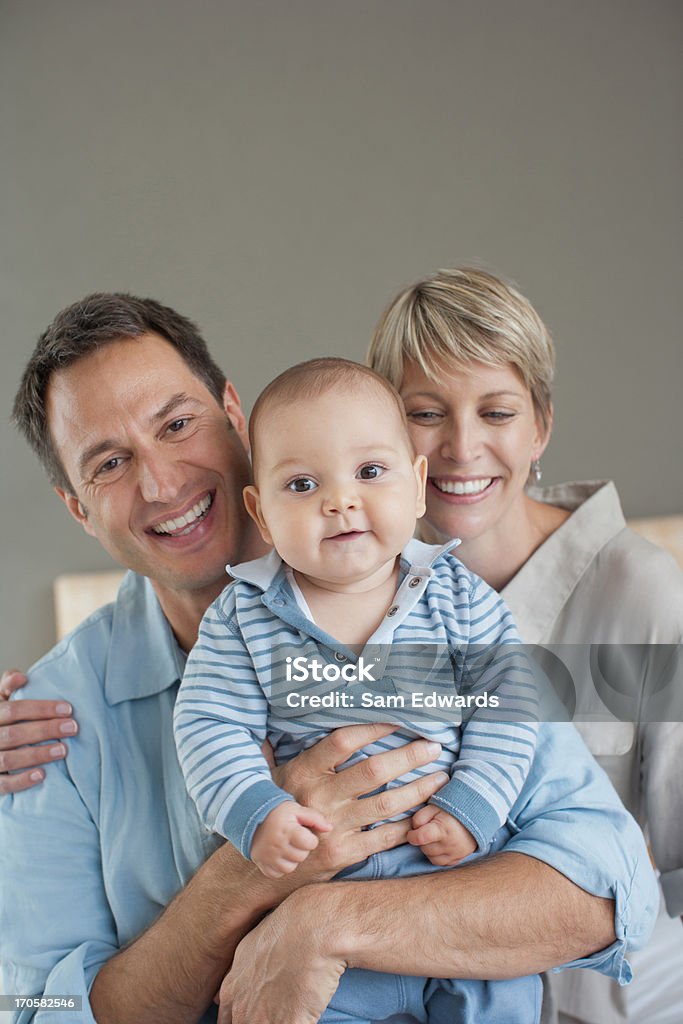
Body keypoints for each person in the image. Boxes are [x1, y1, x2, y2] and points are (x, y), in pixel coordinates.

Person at [0, 292, 658, 1024]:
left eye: (177, 425)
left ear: (233, 414)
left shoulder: (429, 605)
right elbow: (33, 1010)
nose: (162, 483)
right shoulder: (40, 723)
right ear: (77, 508)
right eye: (111, 463)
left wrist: (328, 926)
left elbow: (609, 884)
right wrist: (241, 881)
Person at [175, 357, 543, 1021]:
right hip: (318, 919)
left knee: (508, 996)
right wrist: (257, 809)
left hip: (452, 896)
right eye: (302, 483)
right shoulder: (243, 617)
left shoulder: (459, 600)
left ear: (416, 484)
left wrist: (473, 804)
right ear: (260, 508)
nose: (338, 500)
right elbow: (208, 724)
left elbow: (510, 707)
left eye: (370, 472)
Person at [367, 266, 683, 1024]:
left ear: (539, 424)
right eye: (424, 412)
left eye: (496, 411)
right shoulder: (358, 597)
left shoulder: (640, 595)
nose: (461, 446)